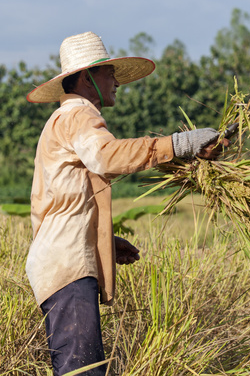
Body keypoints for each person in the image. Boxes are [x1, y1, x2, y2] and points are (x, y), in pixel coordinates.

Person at [25, 31, 228, 376]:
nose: (116, 81)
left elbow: (62, 204)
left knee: (79, 369)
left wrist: (100, 241)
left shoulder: (64, 120)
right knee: (82, 372)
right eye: (109, 73)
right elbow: (108, 156)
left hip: (62, 261)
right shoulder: (77, 116)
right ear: (87, 78)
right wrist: (179, 144)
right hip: (66, 268)